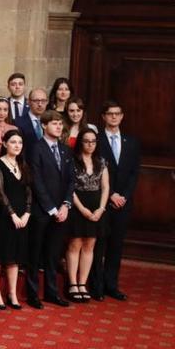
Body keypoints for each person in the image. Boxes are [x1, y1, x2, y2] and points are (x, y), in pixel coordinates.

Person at [90, 100, 140, 301]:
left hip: (123, 203)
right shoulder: (96, 140)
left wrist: (124, 196)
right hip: (102, 200)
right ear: (103, 117)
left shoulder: (132, 142)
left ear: (122, 116)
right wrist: (110, 194)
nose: (114, 117)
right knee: (98, 244)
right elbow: (93, 169)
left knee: (116, 245)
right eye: (110, 113)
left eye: (117, 113)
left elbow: (134, 173)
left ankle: (112, 284)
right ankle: (96, 285)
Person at [25, 110, 75, 309]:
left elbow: (71, 180)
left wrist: (65, 205)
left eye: (60, 124)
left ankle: (52, 292)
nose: (58, 127)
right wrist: (52, 208)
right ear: (44, 125)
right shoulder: (35, 148)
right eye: (54, 123)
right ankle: (32, 294)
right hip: (41, 210)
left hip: (62, 210)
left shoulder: (66, 150)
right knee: (35, 254)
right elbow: (36, 180)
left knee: (53, 254)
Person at [0, 130, 32, 310]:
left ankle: (12, 294)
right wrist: (12, 214)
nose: (17, 146)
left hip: (21, 218)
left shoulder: (23, 164)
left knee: (14, 259)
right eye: (13, 142)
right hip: (2, 217)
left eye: (20, 142)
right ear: (4, 144)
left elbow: (29, 190)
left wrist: (27, 213)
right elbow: (0, 193)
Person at [65, 128, 109, 303]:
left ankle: (82, 283)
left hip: (97, 206)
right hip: (78, 205)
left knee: (90, 244)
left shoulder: (102, 161)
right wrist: (82, 209)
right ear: (80, 142)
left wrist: (101, 209)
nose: (90, 144)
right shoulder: (72, 161)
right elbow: (70, 187)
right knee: (75, 244)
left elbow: (105, 187)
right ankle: (72, 283)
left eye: (93, 141)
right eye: (86, 141)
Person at [14, 88, 49, 157]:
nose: (40, 104)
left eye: (43, 101)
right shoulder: (18, 123)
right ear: (28, 102)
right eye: (36, 101)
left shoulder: (51, 122)